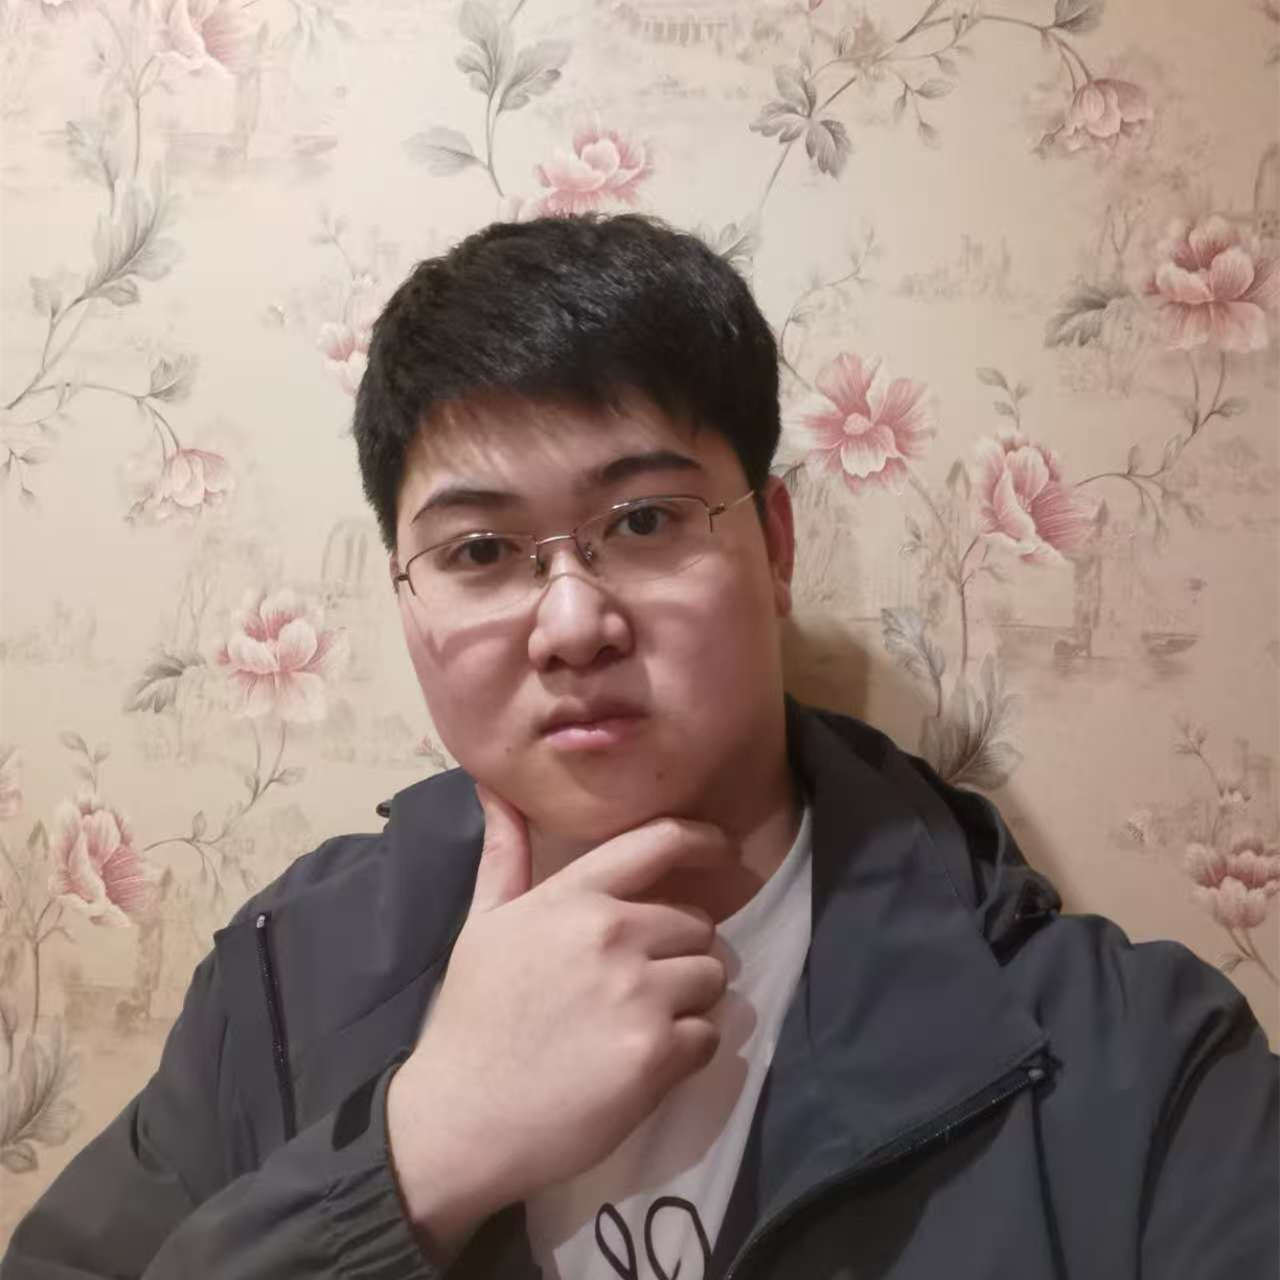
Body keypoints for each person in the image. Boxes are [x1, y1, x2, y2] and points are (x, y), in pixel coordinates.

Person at [3, 214, 1275, 1280]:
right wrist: (414, 1152)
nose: (571, 623)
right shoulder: (287, 977)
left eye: (646, 519)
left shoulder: (1135, 1065)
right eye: (480, 550)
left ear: (773, 545)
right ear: (405, 598)